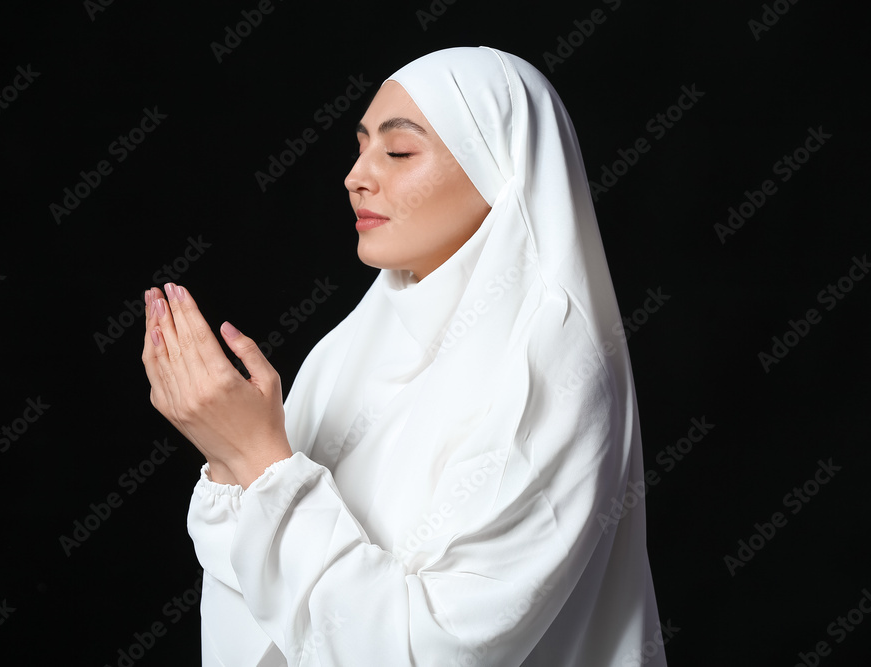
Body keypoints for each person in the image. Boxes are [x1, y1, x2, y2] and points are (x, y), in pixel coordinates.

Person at [141, 46, 666, 666]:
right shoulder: (348, 349)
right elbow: (254, 597)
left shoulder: (550, 368)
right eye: (361, 147)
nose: (357, 175)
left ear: (500, 167)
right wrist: (229, 454)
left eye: (398, 152)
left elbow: (435, 652)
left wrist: (257, 458)